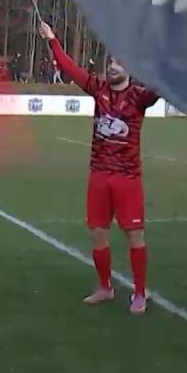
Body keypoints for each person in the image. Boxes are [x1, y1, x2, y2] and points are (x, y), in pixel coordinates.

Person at [40, 21, 158, 315]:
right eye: (110, 61)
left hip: (127, 178)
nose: (112, 66)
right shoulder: (97, 87)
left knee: (135, 236)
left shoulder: (140, 95)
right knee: (97, 232)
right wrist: (53, 39)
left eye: (119, 62)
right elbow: (68, 67)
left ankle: (140, 293)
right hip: (99, 175)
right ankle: (105, 287)